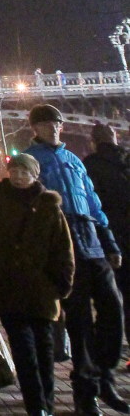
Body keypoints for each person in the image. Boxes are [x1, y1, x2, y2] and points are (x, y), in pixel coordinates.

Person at [25, 104, 128, 416]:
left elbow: (94, 204)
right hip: (63, 244)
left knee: (114, 308)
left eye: (55, 123)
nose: (52, 128)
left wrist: (108, 242)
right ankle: (86, 393)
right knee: (80, 322)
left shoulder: (74, 161)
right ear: (35, 129)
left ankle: (105, 376)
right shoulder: (32, 162)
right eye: (45, 124)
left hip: (92, 240)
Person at [0, 152, 75, 416]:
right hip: (8, 288)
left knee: (44, 350)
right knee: (24, 350)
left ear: (34, 175)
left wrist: (62, 285)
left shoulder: (49, 205)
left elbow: (63, 248)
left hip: (42, 291)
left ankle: (45, 405)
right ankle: (36, 407)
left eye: (24, 172)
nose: (18, 176)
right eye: (14, 171)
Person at [84, 124, 130, 344]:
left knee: (110, 299)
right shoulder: (127, 160)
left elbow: (91, 207)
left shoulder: (89, 166)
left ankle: (109, 349)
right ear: (116, 138)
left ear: (93, 142)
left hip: (107, 240)